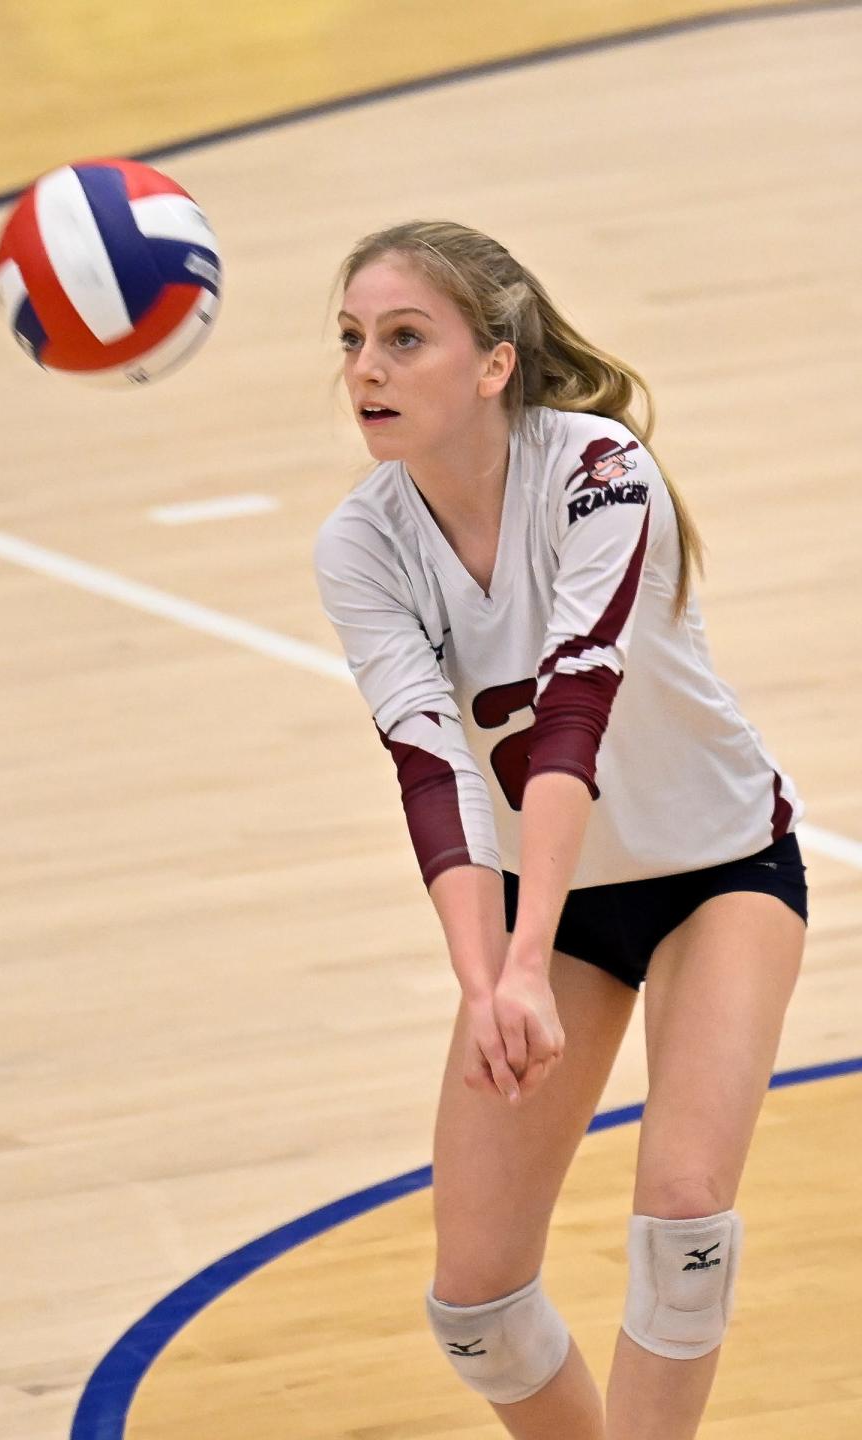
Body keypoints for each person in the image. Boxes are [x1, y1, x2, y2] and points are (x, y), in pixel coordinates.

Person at [314, 221, 807, 1440]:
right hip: (559, 902)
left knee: (683, 1207)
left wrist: (525, 959)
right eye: (352, 340)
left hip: (719, 869)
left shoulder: (596, 467)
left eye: (404, 337)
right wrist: (487, 980)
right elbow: (432, 771)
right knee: (475, 1303)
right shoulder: (360, 545)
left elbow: (571, 714)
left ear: (494, 363)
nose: (366, 367)